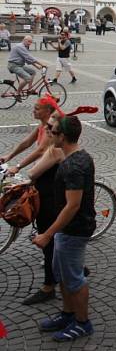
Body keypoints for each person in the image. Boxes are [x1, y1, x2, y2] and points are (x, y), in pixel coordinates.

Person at [34, 116, 96, 342]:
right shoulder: (78, 157)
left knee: (74, 278)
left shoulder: (73, 166)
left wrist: (47, 234)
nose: (48, 131)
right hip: (66, 231)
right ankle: (68, 314)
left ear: (63, 136)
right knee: (62, 274)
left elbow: (73, 205)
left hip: (74, 230)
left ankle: (82, 323)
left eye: (52, 130)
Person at [8, 100, 61, 305]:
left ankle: (49, 287)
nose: (47, 130)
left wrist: (19, 168)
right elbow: (28, 144)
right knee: (54, 239)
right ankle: (68, 267)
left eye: (51, 127)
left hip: (50, 198)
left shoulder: (56, 150)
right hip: (46, 194)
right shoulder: (49, 136)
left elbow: (35, 167)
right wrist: (10, 156)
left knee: (49, 238)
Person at [0, 96, 59, 172]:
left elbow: (41, 150)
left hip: (51, 169)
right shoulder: (42, 124)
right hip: (43, 165)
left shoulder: (51, 128)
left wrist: (18, 167)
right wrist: (10, 155)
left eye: (37, 109)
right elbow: (27, 142)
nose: (33, 111)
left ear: (47, 111)